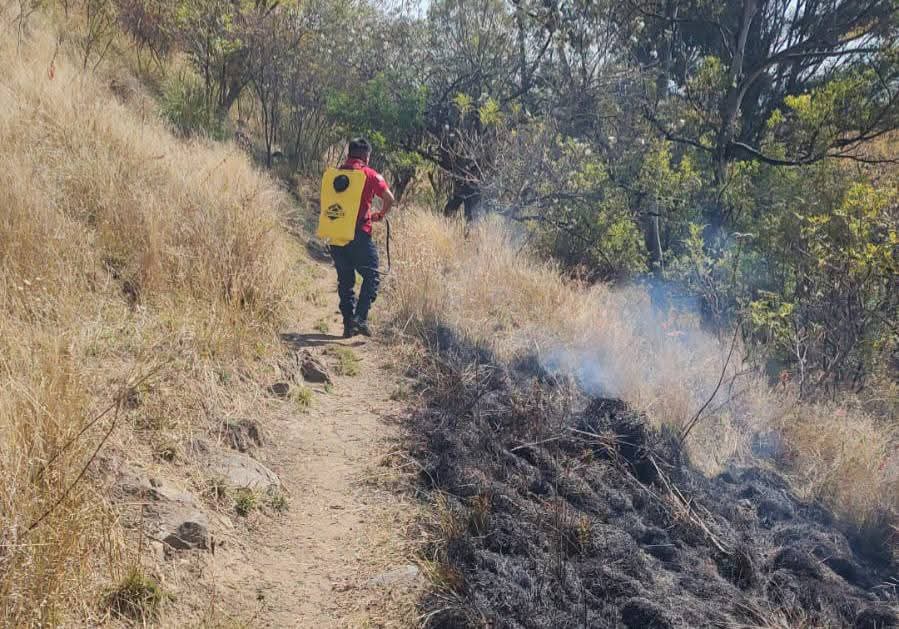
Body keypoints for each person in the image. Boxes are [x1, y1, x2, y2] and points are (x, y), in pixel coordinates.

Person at [330, 137, 394, 338]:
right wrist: (380, 215)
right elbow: (389, 198)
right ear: (366, 155)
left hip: (336, 235)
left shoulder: (335, 174)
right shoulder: (369, 174)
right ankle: (360, 318)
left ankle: (349, 325)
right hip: (359, 235)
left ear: (349, 154)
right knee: (372, 275)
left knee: (346, 281)